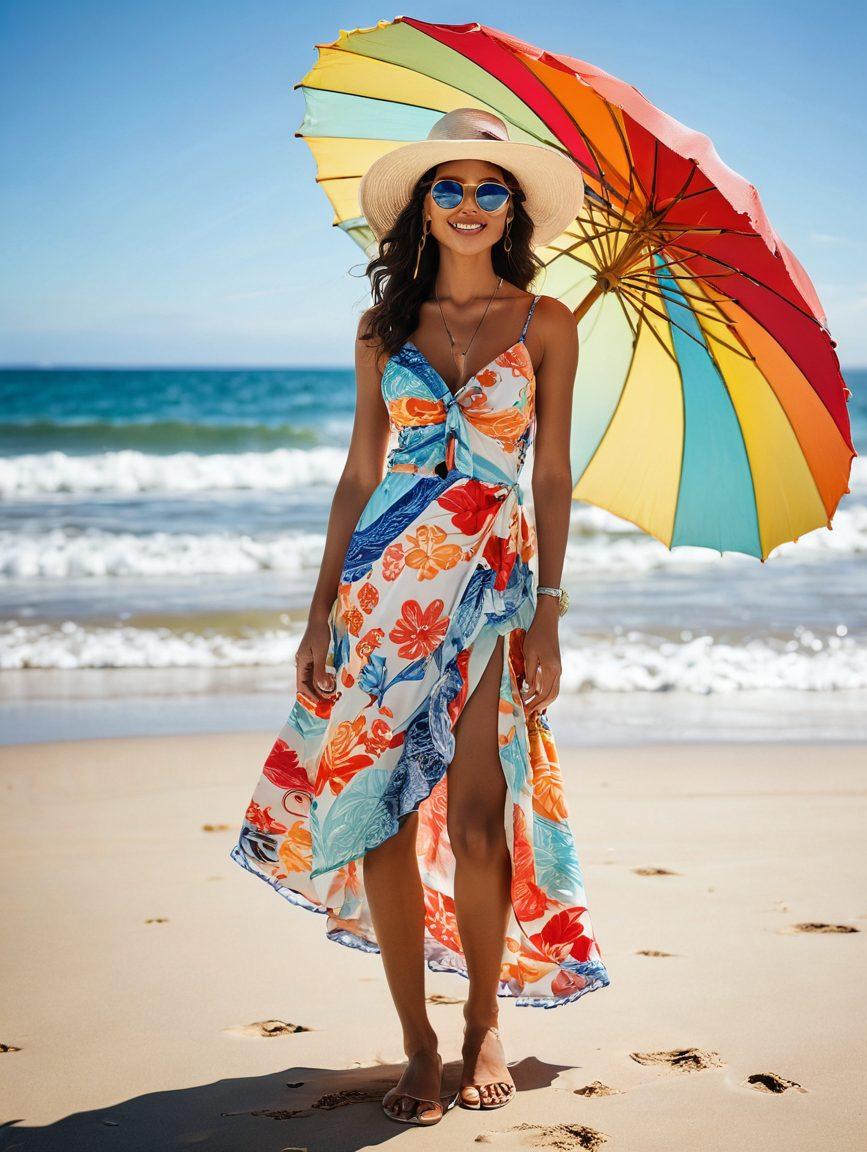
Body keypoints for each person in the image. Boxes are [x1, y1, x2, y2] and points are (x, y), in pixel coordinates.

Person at [230, 108, 610, 1128]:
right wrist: (318, 614)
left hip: (492, 580)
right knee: (379, 816)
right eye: (451, 187)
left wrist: (552, 613)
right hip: (382, 586)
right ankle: (418, 1039)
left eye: (491, 189)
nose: (471, 205)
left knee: (481, 811)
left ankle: (485, 1016)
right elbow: (360, 469)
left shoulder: (548, 322)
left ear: (513, 208)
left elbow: (556, 472)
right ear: (423, 207)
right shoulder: (381, 330)